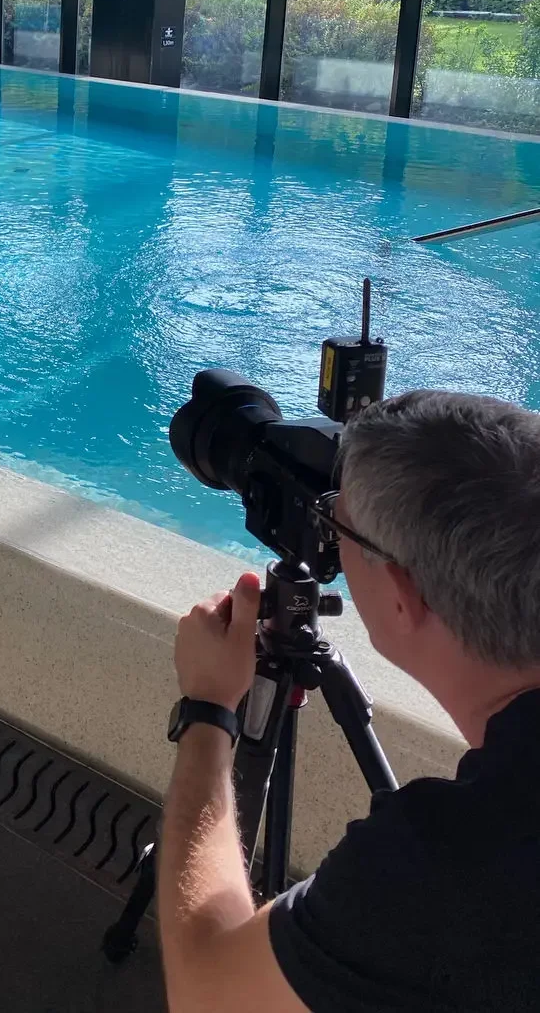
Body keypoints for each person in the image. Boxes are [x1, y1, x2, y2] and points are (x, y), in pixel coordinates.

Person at [156, 390, 540, 1012]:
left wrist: (208, 707)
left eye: (337, 522)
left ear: (400, 593)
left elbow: (205, 992)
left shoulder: (446, 867)